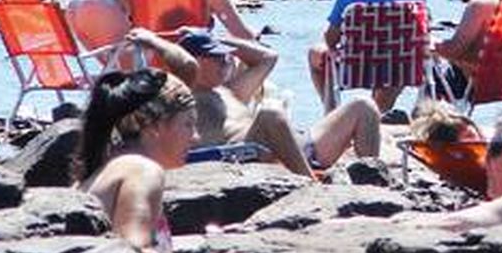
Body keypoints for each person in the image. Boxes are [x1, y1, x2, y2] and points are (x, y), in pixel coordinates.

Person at [128, 27, 380, 179]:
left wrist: (221, 39)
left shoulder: (229, 90)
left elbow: (268, 57)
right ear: (197, 60)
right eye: (216, 58)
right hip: (254, 153)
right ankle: (309, 184)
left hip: (301, 146)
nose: (226, 62)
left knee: (362, 106)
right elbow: (185, 66)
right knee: (270, 111)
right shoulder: (184, 94)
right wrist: (154, 40)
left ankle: (374, 181)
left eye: (225, 57)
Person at [75, 68, 199, 253]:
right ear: (155, 126)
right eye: (188, 124)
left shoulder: (107, 169)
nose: (196, 137)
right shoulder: (142, 170)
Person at [306, 0, 427, 114]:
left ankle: (332, 112)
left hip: (355, 68)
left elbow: (330, 40)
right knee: (402, 57)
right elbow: (422, 38)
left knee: (315, 53)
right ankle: (377, 113)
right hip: (399, 69)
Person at [430, 0, 502, 100]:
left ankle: (422, 120)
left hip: (471, 83)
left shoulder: (479, 4)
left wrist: (426, 41)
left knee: (426, 61)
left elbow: (454, 50)